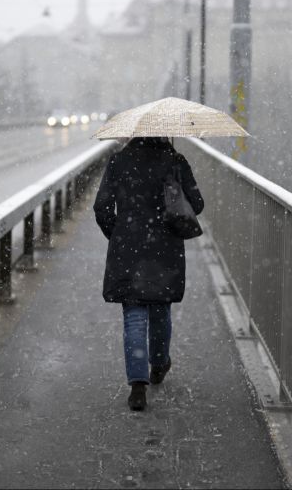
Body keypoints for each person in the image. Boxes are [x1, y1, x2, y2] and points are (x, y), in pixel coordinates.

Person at [93, 136, 204, 411]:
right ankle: (158, 363)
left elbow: (102, 206)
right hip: (164, 247)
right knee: (159, 308)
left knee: (133, 314)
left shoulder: (119, 161)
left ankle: (137, 386)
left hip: (127, 245)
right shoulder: (175, 161)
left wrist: (117, 233)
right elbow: (197, 204)